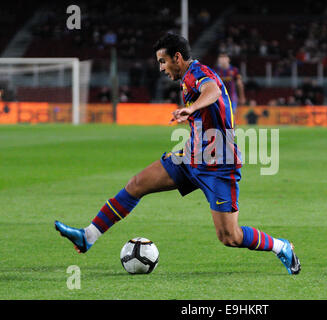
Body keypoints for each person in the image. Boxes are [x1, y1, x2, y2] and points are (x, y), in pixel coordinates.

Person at [55, 33, 300, 275]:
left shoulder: (197, 73)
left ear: (178, 57)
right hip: (190, 157)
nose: (161, 68)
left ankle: (282, 247)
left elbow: (213, 90)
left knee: (230, 237)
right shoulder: (187, 78)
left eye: (163, 61)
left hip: (219, 165)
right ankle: (88, 235)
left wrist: (191, 108)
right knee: (136, 184)